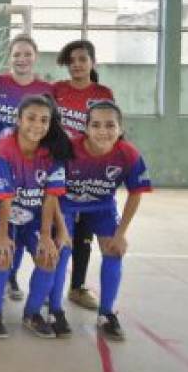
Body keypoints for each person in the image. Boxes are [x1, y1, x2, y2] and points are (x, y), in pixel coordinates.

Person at [58, 101, 152, 341]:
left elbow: (135, 194)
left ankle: (106, 313)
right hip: (66, 205)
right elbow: (51, 189)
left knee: (114, 252)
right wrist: (58, 228)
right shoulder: (68, 149)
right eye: (96, 125)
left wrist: (120, 235)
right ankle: (54, 310)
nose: (103, 131)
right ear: (86, 128)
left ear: (120, 129)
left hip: (101, 206)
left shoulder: (128, 154)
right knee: (61, 250)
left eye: (110, 125)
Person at [0, 94, 73, 339]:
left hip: (33, 216)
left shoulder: (52, 151)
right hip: (2, 214)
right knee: (2, 255)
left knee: (48, 256)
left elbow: (51, 196)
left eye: (44, 120)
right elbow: (4, 197)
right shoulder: (5, 147)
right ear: (18, 120)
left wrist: (46, 235)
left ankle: (32, 314)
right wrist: (2, 236)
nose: (37, 125)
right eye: (31, 118)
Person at [0, 34, 54, 301]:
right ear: (9, 57)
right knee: (2, 217)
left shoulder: (47, 89)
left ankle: (12, 277)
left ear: (35, 56)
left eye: (27, 54)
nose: (22, 59)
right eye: (17, 54)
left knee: (27, 218)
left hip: (33, 166)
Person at [53, 39, 115, 312]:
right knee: (61, 231)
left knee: (85, 231)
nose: (76, 65)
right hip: (62, 169)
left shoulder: (103, 93)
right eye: (71, 61)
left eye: (82, 59)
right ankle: (51, 287)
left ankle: (77, 287)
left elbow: (110, 131)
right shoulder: (57, 90)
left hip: (91, 171)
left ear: (92, 62)